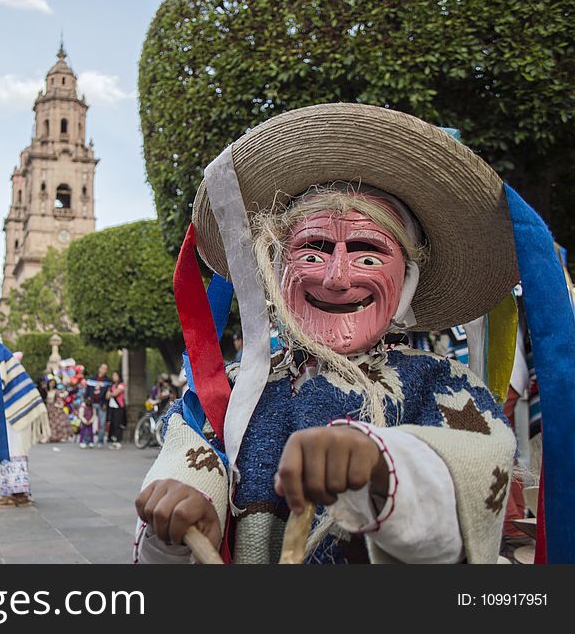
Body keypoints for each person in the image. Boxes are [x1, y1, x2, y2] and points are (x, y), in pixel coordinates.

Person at [134, 103, 534, 564]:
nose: (337, 279)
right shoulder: (226, 395)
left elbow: (476, 482)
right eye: (314, 250)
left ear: (408, 279)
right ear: (276, 270)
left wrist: (384, 468)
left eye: (367, 253)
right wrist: (180, 518)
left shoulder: (443, 384)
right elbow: (184, 472)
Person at [0, 343, 47, 508]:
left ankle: (17, 494)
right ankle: (14, 491)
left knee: (14, 450)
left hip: (14, 410)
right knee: (13, 449)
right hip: (14, 409)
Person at [88, 363, 113, 447]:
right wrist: (87, 401)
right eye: (102, 368)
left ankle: (100, 440)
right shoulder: (92, 379)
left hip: (102, 404)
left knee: (102, 423)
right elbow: (87, 391)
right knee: (89, 421)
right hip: (92, 403)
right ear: (99, 368)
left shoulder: (108, 381)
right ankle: (88, 440)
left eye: (105, 369)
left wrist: (106, 403)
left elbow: (108, 394)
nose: (104, 370)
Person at [46, 378, 72, 443]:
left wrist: (59, 405)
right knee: (51, 423)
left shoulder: (57, 391)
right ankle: (51, 436)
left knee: (58, 423)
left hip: (55, 408)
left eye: (53, 383)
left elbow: (61, 398)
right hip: (49, 408)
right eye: (50, 383)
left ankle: (59, 436)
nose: (51, 384)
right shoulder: (47, 391)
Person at [107, 371, 126, 449]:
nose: (113, 377)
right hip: (112, 406)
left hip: (119, 407)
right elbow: (107, 396)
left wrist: (111, 393)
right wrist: (111, 393)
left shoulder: (121, 385)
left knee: (117, 424)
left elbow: (115, 394)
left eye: (115, 375)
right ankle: (113, 440)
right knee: (112, 424)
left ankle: (118, 440)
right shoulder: (112, 385)